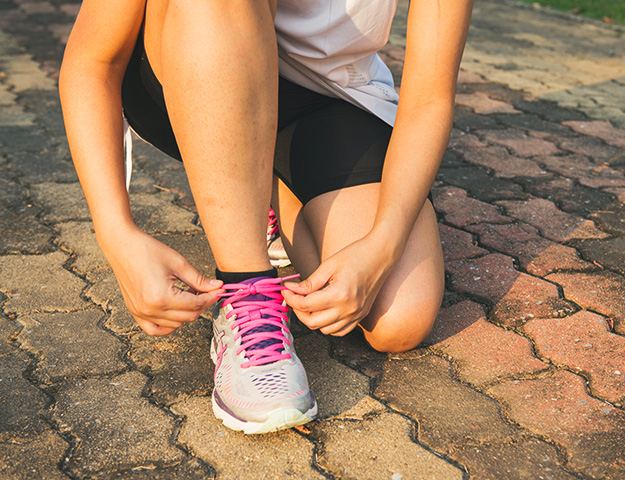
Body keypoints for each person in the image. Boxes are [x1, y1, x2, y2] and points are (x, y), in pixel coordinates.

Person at [59, 0, 473, 434]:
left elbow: (430, 96)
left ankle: (259, 189)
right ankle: (247, 292)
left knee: (397, 318)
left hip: (327, 96)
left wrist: (382, 246)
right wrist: (116, 232)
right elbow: (92, 61)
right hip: (191, 57)